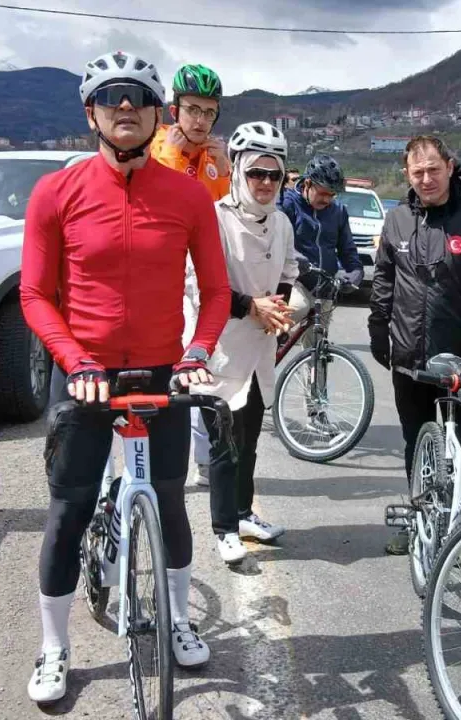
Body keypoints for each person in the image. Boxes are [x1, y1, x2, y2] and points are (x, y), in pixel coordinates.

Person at [20, 50, 232, 705]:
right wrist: (74, 359)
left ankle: (177, 618)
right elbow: (35, 294)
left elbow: (217, 292)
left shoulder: (188, 196)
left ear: (156, 113)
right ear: (91, 113)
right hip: (82, 372)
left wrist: (197, 352)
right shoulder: (56, 192)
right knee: (69, 509)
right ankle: (54, 647)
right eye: (110, 96)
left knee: (170, 501)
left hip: (162, 370)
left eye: (138, 96)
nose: (124, 106)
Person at [369, 135, 461, 556]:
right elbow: (384, 278)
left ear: (450, 167)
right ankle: (419, 520)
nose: (426, 179)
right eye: (417, 172)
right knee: (417, 443)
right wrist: (378, 327)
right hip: (410, 357)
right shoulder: (397, 220)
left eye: (433, 170)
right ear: (407, 174)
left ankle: (460, 532)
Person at [186, 120, 296, 563]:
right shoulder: (214, 218)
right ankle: (224, 529)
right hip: (222, 346)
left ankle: (244, 513)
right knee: (224, 444)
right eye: (256, 173)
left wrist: (278, 307)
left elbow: (288, 272)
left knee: (249, 440)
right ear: (238, 171)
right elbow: (199, 284)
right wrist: (253, 307)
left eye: (274, 174)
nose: (265, 183)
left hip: (260, 347)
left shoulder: (282, 222)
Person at [279, 153, 364, 340]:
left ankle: (312, 360)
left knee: (317, 346)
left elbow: (348, 250)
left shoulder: (338, 211)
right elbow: (277, 241)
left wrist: (355, 273)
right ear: (307, 183)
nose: (327, 200)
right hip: (295, 281)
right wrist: (296, 259)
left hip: (325, 286)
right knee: (298, 307)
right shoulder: (287, 203)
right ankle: (271, 345)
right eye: (323, 193)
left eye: (331, 195)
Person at [149, 63, 231, 201]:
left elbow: (230, 208)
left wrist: (224, 173)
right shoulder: (149, 147)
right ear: (174, 112)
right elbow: (155, 200)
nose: (201, 121)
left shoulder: (215, 157)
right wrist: (171, 154)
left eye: (209, 113)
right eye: (193, 110)